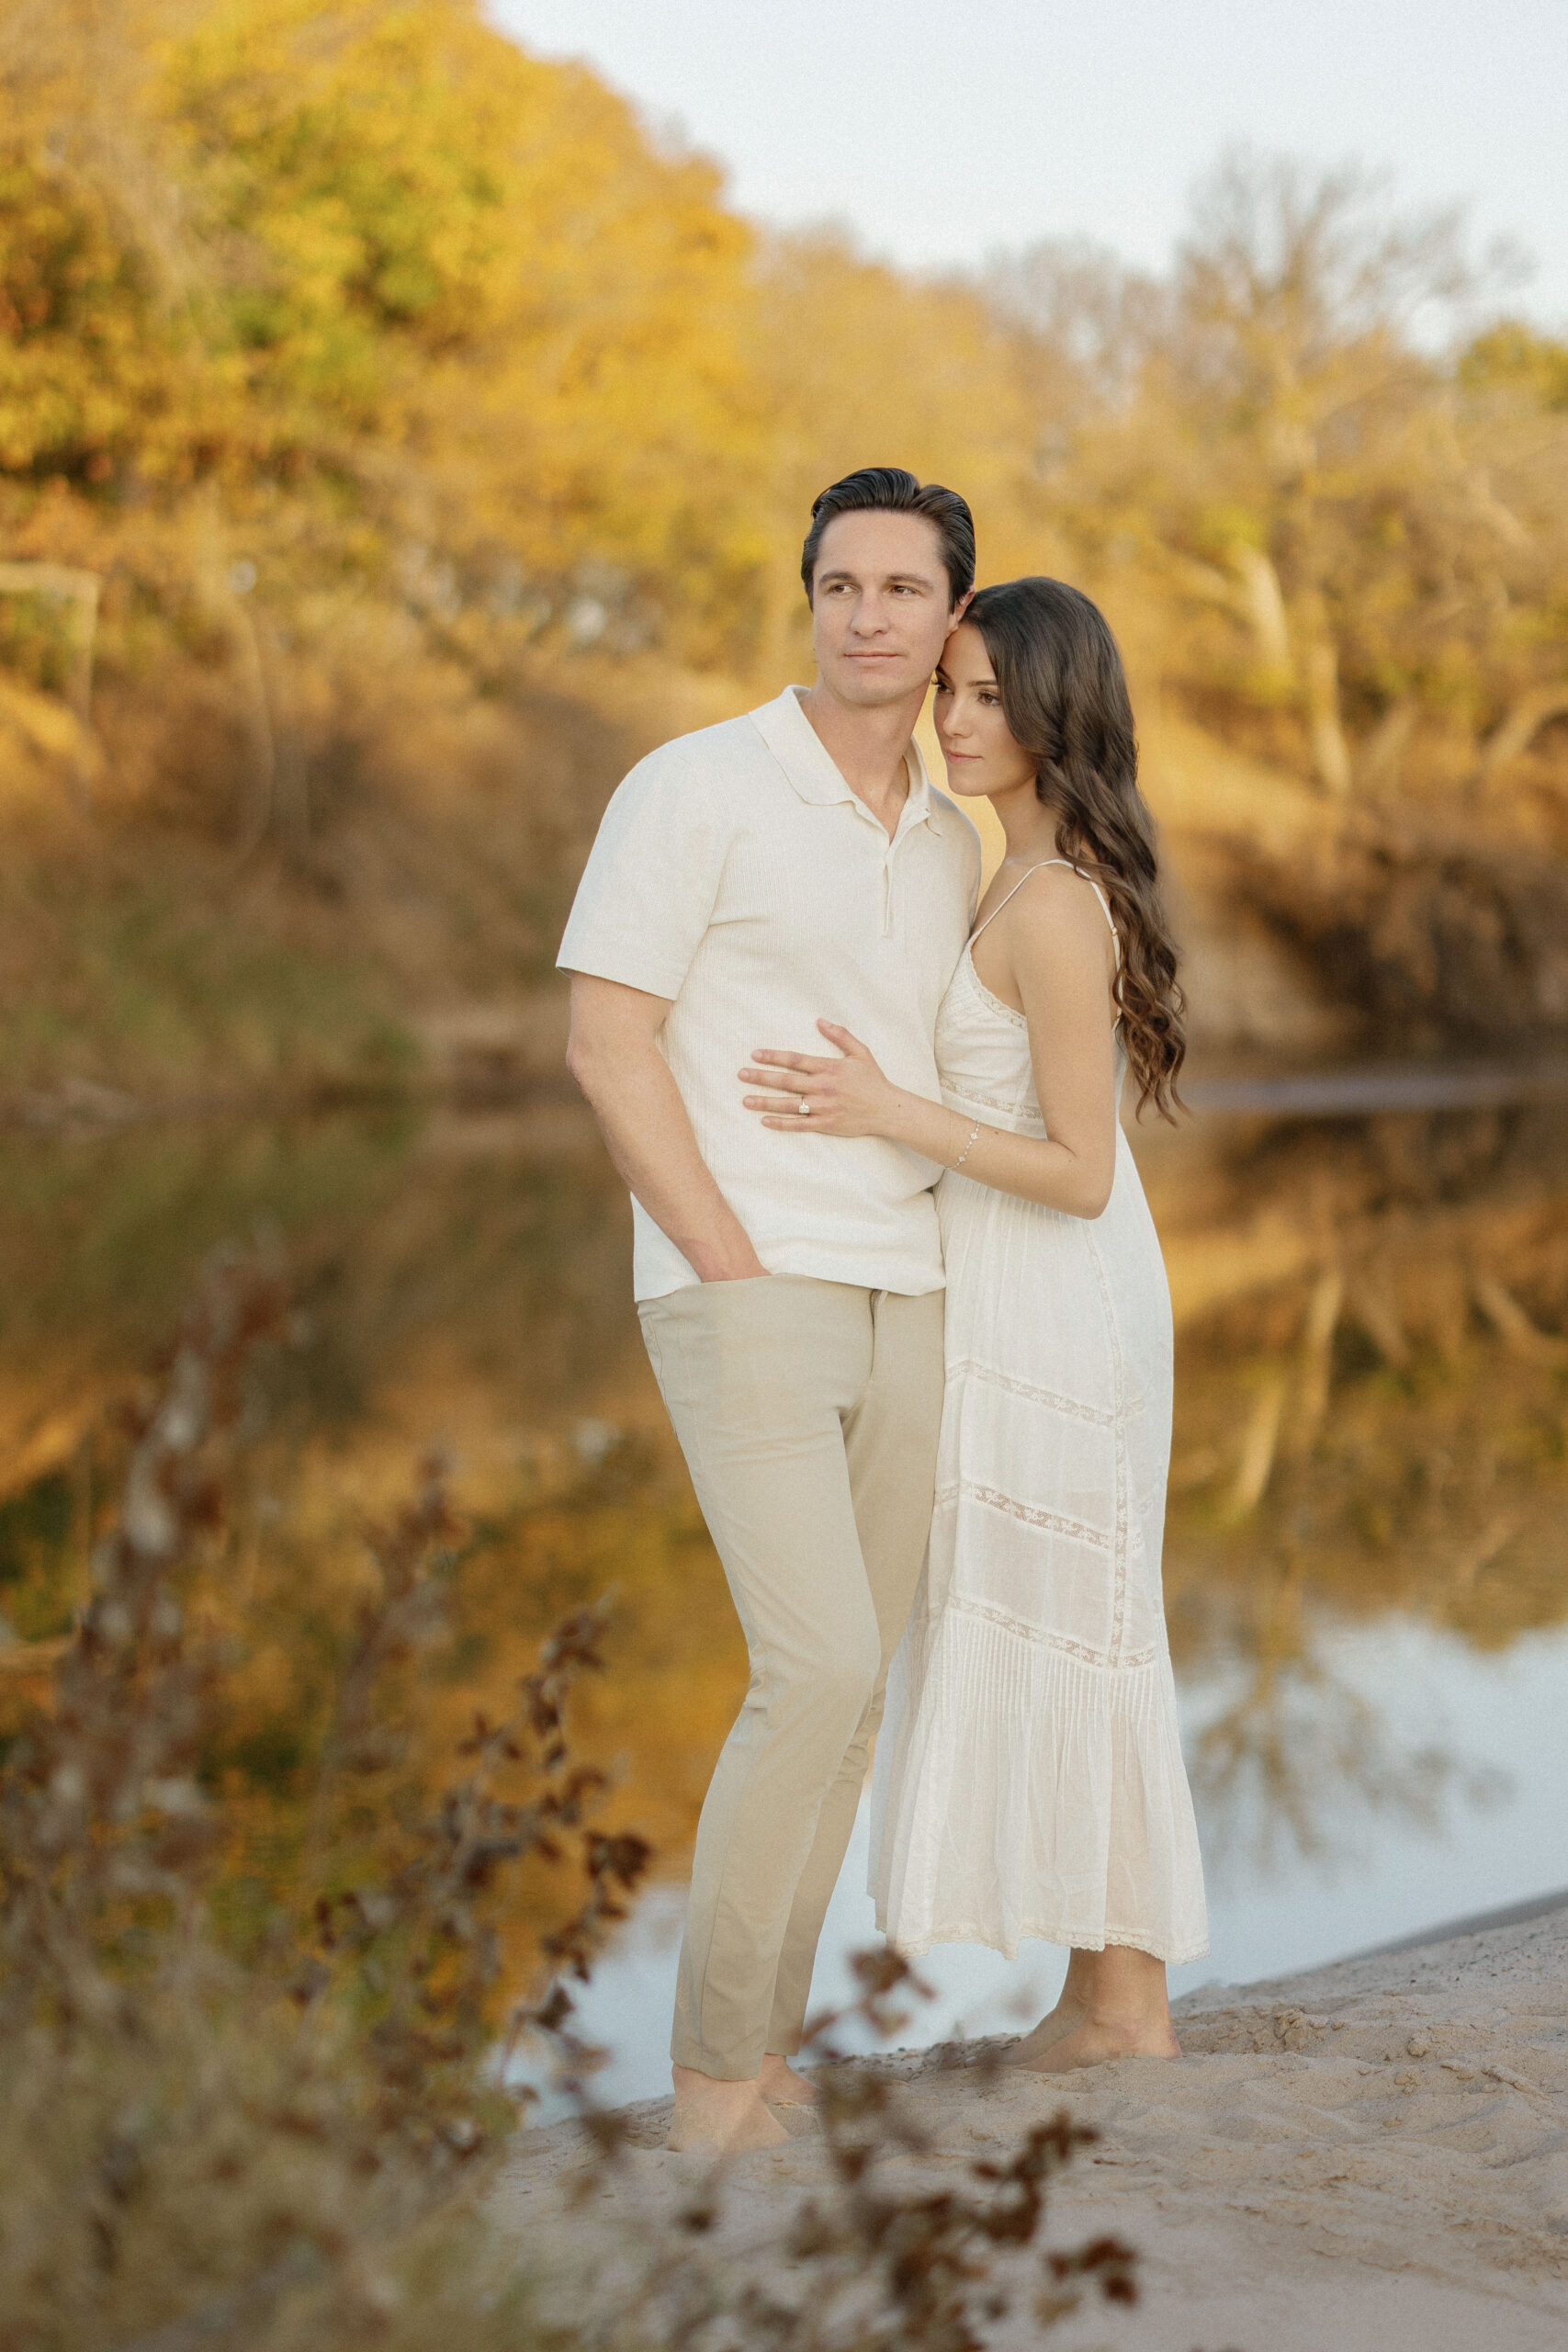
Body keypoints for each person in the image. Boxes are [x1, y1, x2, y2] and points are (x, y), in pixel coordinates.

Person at [558, 468, 983, 2152]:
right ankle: (712, 2085)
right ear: (809, 600)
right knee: (809, 1668)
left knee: (856, 1693)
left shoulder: (952, 836)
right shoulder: (695, 784)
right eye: (840, 586)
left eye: (902, 589)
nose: (867, 616)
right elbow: (606, 1040)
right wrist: (723, 1254)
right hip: (745, 1282)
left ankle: (771, 2055)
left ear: (954, 616)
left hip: (912, 1289)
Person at [739, 576, 1208, 2070]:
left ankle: (1127, 2008)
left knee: (1091, 1621)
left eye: (991, 696)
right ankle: (1098, 1993)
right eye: (951, 689)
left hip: (1064, 1302)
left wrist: (891, 1111)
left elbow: (1081, 1172)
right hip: (1002, 1295)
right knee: (1059, 1617)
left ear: (1059, 712)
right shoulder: (1002, 872)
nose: (954, 720)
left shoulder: (1055, 906)